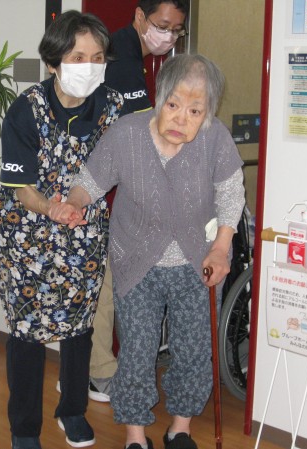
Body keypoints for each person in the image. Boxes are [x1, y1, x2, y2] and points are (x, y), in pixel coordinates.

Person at [51, 54, 245, 449]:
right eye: (173, 105)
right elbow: (91, 180)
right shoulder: (127, 134)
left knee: (194, 350)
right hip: (136, 261)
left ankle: (180, 428)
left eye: (195, 111)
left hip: (199, 261)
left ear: (207, 112)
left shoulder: (216, 139)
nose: (181, 119)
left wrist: (221, 249)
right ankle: (135, 435)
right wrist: (74, 202)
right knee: (137, 351)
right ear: (159, 99)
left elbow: (230, 195)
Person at [0, 10, 123, 449]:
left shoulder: (112, 106)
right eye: (78, 57)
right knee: (27, 330)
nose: (90, 66)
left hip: (84, 230)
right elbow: (22, 188)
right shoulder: (26, 109)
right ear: (53, 62)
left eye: (97, 57)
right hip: (26, 232)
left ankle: (72, 410)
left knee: (80, 325)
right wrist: (52, 208)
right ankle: (24, 428)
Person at [88, 0, 189, 404]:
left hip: (114, 188)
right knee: (104, 285)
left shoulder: (141, 59)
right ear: (139, 16)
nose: (168, 36)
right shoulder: (122, 58)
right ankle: (97, 373)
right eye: (162, 25)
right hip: (95, 189)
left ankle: (91, 371)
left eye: (176, 30)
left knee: (109, 282)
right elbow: (150, 136)